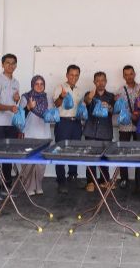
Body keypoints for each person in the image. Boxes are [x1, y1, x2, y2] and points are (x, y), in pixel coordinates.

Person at [0, 53, 20, 200]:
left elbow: (15, 104)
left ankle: (7, 186)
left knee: (9, 156)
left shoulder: (16, 82)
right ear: (2, 64)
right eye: (8, 63)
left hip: (11, 124)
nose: (10, 66)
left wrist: (17, 99)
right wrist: (9, 107)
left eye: (13, 63)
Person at [53, 64, 83, 194]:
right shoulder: (59, 87)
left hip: (76, 123)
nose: (74, 77)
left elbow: (80, 107)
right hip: (63, 123)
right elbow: (56, 104)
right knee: (60, 152)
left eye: (76, 75)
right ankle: (61, 181)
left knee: (74, 151)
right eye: (71, 74)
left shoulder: (79, 90)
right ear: (67, 75)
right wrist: (61, 97)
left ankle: (73, 176)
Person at [19, 75, 52, 196]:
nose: (39, 86)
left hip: (44, 135)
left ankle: (39, 185)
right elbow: (20, 115)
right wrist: (28, 107)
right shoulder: (26, 97)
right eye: (36, 84)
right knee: (28, 164)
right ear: (32, 84)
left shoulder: (47, 97)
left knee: (40, 164)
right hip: (29, 134)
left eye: (41, 84)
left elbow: (51, 113)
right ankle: (29, 187)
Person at [83, 72, 115, 192]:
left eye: (103, 80)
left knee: (105, 158)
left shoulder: (111, 96)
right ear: (94, 82)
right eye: (98, 80)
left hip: (105, 131)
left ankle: (104, 181)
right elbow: (86, 102)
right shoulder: (89, 94)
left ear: (106, 81)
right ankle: (90, 182)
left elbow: (114, 110)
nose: (100, 83)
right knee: (90, 158)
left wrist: (109, 107)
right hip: (90, 130)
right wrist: (90, 97)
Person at [116, 65, 140, 189]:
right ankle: (124, 178)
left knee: (139, 152)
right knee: (123, 152)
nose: (128, 76)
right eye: (126, 74)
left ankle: (139, 181)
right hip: (124, 126)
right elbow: (116, 109)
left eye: (131, 73)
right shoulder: (120, 90)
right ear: (123, 76)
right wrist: (115, 102)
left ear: (134, 74)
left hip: (139, 126)